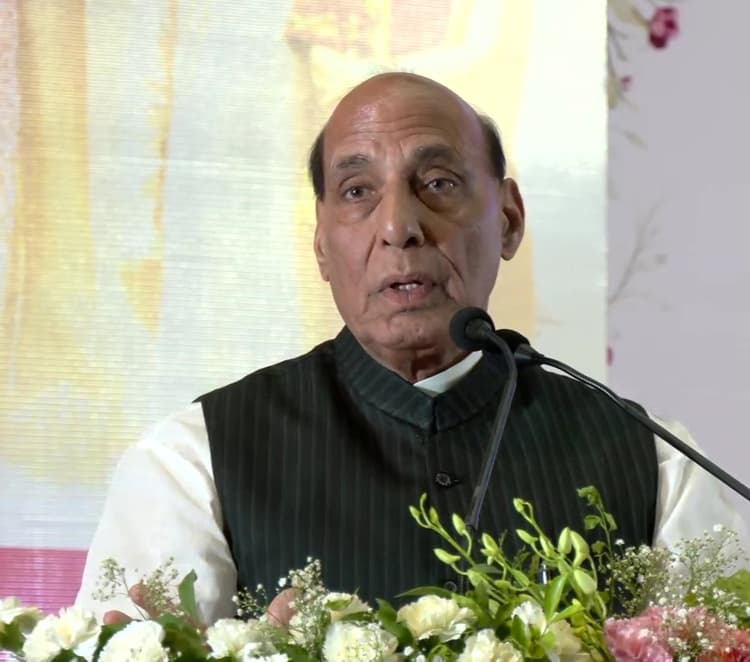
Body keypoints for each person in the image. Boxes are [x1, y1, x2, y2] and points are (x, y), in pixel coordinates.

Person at [76, 72, 747, 624]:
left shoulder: (655, 461)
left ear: (509, 219)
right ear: (321, 245)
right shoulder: (194, 462)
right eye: (358, 191)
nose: (399, 226)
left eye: (438, 183)